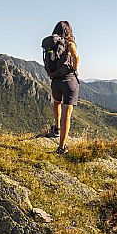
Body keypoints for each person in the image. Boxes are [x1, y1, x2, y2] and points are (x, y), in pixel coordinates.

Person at [49, 21, 80, 154]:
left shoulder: (51, 43)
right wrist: (75, 69)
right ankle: (61, 147)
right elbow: (76, 57)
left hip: (55, 80)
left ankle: (56, 128)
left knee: (57, 103)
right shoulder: (69, 43)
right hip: (68, 81)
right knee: (66, 114)